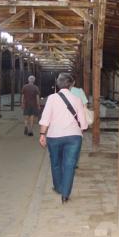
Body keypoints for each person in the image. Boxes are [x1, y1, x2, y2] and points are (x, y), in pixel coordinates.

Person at [39, 73, 88, 203]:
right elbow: (83, 123)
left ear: (58, 84)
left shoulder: (52, 98)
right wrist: (77, 130)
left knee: (55, 163)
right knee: (69, 165)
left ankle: (58, 187)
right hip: (74, 137)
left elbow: (45, 118)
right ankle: (65, 194)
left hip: (54, 136)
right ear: (71, 85)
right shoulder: (77, 100)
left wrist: (42, 134)